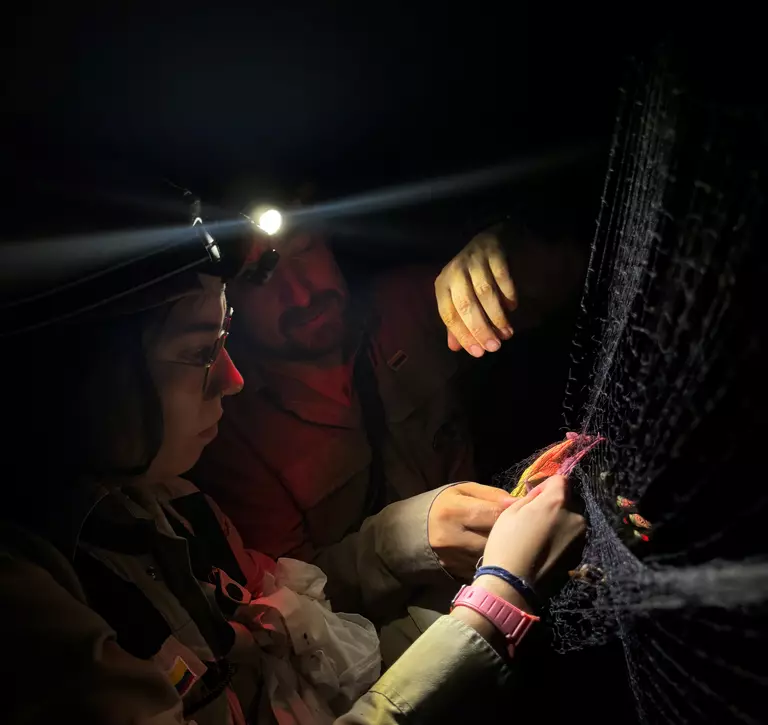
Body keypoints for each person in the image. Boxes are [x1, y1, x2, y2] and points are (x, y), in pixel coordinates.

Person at [0, 178, 585, 724]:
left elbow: (297, 617)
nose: (231, 379)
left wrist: (415, 533)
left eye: (302, 245)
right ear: (80, 378)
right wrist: (499, 604)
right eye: (200, 351)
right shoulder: (36, 609)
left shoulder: (170, 503)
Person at [190, 203, 585, 644]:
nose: (300, 293)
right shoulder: (227, 428)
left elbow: (565, 276)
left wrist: (511, 243)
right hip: (393, 651)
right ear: (223, 300)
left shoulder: (407, 306)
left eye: (302, 248)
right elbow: (296, 611)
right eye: (256, 276)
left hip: (532, 583)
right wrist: (411, 535)